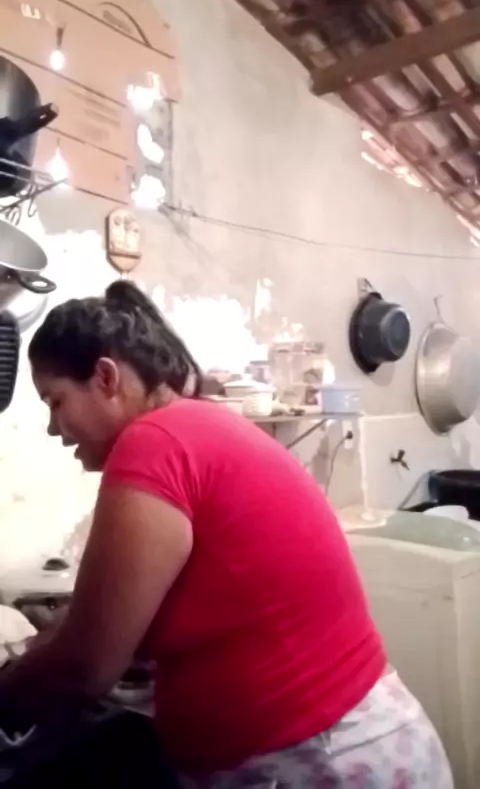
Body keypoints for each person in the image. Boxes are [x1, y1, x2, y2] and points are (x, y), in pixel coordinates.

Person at [0, 280, 453, 788]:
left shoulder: (154, 444)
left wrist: (8, 687)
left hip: (325, 763)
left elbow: (88, 664)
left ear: (105, 377)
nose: (53, 428)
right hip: (358, 744)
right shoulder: (201, 424)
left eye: (55, 401)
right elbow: (120, 618)